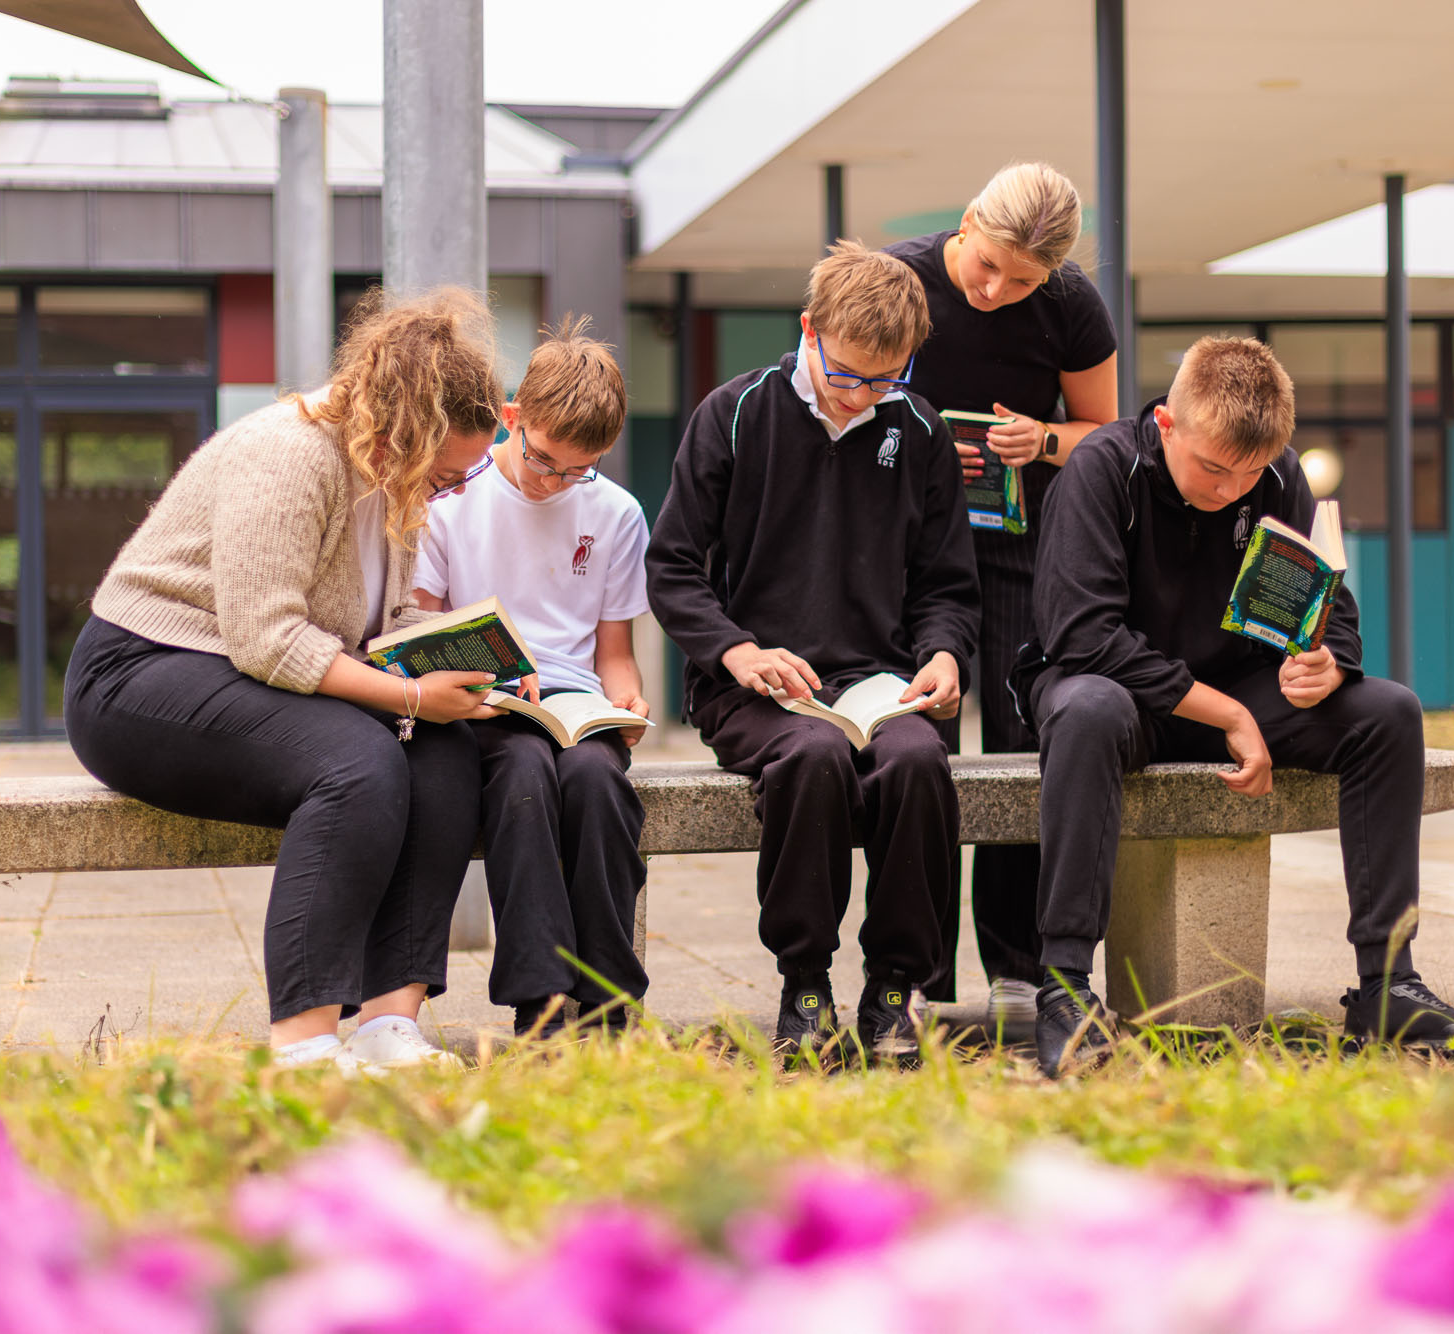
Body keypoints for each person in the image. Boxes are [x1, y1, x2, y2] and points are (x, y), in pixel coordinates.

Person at [1011, 335, 1454, 1076]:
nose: (1228, 491)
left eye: (1247, 475)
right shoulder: (1101, 468)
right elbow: (1080, 635)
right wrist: (1229, 715)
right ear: (1168, 425)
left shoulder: (1275, 476)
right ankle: (1063, 987)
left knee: (1389, 713)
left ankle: (1388, 985)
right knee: (1087, 709)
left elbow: (1329, 608)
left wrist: (1327, 663)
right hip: (1112, 691)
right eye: (1212, 469)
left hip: (1236, 686)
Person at [63, 289, 509, 1077]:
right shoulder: (291, 452)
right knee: (357, 764)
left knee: (446, 752)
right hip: (139, 672)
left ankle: (387, 1026)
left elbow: (383, 622)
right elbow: (266, 638)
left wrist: (471, 666)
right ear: (404, 435)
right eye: (445, 473)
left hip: (241, 670)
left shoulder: (396, 483)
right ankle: (303, 1042)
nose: (448, 492)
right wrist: (409, 696)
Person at [646, 241, 980, 1064]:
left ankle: (896, 989)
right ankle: (805, 983)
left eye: (886, 379)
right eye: (846, 375)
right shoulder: (733, 414)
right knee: (816, 757)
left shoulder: (922, 430)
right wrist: (736, 652)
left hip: (881, 682)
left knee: (917, 765)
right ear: (808, 330)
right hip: (758, 686)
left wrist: (943, 655)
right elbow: (674, 568)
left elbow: (946, 582)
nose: (863, 395)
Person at [884, 161, 1118, 1033]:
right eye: (987, 266)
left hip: (1027, 547)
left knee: (1026, 748)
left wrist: (1044, 437)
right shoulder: (896, 278)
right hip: (910, 553)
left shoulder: (1069, 306)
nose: (995, 291)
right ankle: (914, 971)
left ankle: (1019, 969)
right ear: (968, 219)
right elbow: (831, 405)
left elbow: (1105, 432)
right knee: (918, 754)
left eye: (1021, 282)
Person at [414, 318, 652, 1038]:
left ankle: (610, 998)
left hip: (575, 702)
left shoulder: (614, 513)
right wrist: (477, 682)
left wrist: (627, 698)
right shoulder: (453, 497)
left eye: (582, 469)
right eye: (546, 459)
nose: (558, 482)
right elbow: (417, 628)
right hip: (482, 704)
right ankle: (541, 1006)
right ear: (513, 419)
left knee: (596, 782)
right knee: (521, 776)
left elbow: (613, 650)